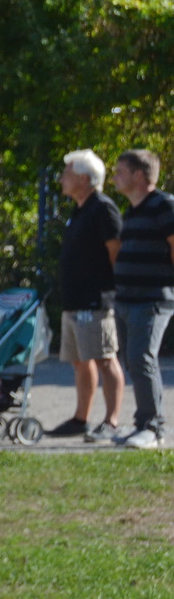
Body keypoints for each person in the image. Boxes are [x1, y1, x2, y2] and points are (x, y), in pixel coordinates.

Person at [44, 149, 125, 440]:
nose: (61, 179)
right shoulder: (80, 209)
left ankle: (111, 421)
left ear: (82, 178)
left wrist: (116, 290)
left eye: (66, 173)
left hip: (95, 300)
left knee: (104, 357)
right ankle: (81, 419)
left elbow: (116, 251)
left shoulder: (102, 208)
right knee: (80, 360)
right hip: (74, 301)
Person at [110, 148, 174, 449]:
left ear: (138, 175)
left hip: (152, 299)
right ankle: (142, 424)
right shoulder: (133, 211)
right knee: (133, 361)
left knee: (141, 359)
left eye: (120, 171)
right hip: (126, 298)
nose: (114, 177)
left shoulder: (164, 205)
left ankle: (153, 428)